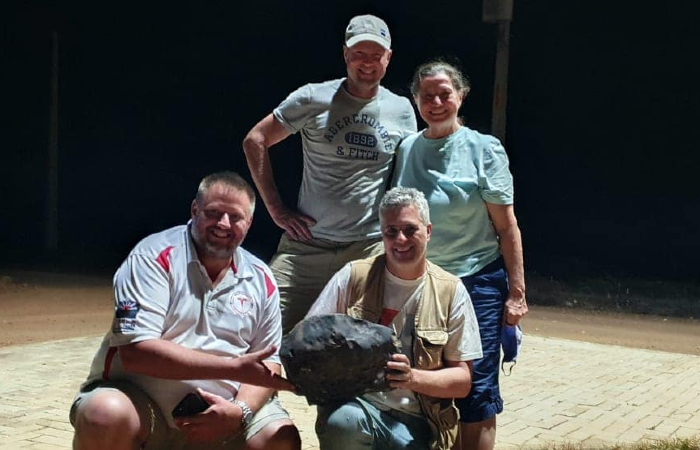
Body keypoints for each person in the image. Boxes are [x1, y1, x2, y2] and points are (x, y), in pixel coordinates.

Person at [70, 171, 301, 450]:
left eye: (235, 217)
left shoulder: (261, 277)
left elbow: (268, 362)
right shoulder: (152, 258)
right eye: (213, 213)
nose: (223, 224)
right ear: (195, 210)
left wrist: (239, 412)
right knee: (103, 414)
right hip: (146, 410)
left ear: (249, 223)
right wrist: (232, 368)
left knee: (280, 438)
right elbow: (135, 353)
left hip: (225, 416)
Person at [242, 14, 417, 333]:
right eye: (359, 54)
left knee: (367, 346)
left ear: (388, 58)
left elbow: (409, 177)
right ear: (346, 54)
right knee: (262, 331)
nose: (367, 63)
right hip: (307, 245)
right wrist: (276, 209)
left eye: (376, 55)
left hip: (367, 250)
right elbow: (256, 139)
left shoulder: (402, 110)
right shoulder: (313, 97)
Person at [393, 60, 529, 450]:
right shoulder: (407, 149)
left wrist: (516, 295)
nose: (435, 102)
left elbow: (507, 228)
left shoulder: (484, 150)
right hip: (421, 282)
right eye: (426, 95)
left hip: (477, 280)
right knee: (425, 381)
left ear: (461, 96)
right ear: (415, 100)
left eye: (444, 94)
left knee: (477, 388)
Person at [306, 187, 483, 450]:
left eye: (410, 230)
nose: (400, 240)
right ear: (382, 234)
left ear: (429, 231)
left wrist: (412, 378)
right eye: (391, 231)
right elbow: (309, 340)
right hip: (360, 408)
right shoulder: (354, 276)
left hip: (421, 421)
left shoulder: (451, 290)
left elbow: (462, 382)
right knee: (342, 423)